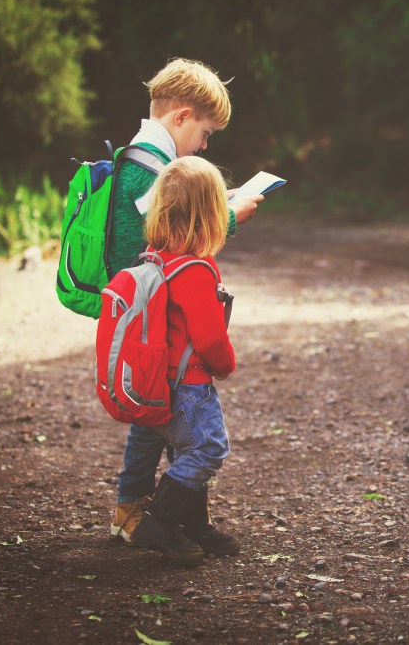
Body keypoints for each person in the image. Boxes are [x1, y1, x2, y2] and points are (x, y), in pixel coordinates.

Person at [108, 57, 261, 551]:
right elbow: (174, 244)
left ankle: (175, 521)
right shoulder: (149, 167)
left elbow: (169, 230)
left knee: (166, 435)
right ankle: (140, 517)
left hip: (157, 329)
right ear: (181, 117)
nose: (205, 143)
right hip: (164, 343)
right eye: (206, 133)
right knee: (174, 436)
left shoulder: (149, 163)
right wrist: (229, 218)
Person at [127, 155, 239, 563]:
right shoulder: (193, 270)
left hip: (160, 378)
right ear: (211, 216)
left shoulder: (157, 256)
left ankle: (193, 525)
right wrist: (225, 365)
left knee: (182, 449)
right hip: (188, 384)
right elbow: (209, 337)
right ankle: (156, 521)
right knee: (207, 448)